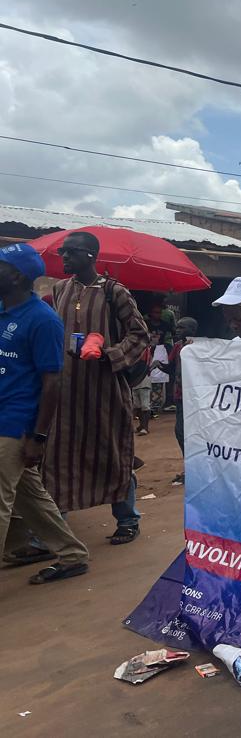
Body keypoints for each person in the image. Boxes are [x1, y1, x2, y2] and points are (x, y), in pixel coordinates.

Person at [38, 231, 149, 547]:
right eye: (63, 252)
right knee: (57, 457)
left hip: (104, 389)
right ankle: (52, 532)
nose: (65, 257)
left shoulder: (115, 292)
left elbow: (139, 335)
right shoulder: (60, 289)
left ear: (91, 255)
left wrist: (109, 354)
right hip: (64, 391)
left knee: (112, 452)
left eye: (71, 252)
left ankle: (127, 519)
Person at [0, 244, 91, 584]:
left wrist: (38, 436)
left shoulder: (43, 320)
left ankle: (70, 555)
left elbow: (52, 383)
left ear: (17, 276)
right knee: (30, 496)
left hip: (15, 423)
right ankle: (72, 556)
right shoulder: (2, 311)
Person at [153, 316, 197, 485]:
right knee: (181, 432)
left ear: (192, 330)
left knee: (189, 433)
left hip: (195, 397)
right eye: (177, 328)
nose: (177, 331)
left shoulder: (198, 347)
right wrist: (159, 364)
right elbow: (172, 369)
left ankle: (192, 470)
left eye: (181, 328)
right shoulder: (178, 347)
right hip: (180, 396)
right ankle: (190, 468)